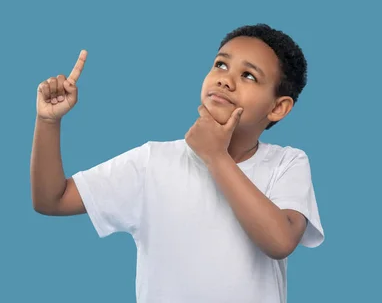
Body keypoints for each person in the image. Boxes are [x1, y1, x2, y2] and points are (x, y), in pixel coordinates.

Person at [31, 24, 325, 303]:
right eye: (221, 64)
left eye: (249, 75)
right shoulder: (152, 163)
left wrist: (215, 155)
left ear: (278, 107)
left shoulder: (287, 163)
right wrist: (48, 121)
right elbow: (52, 200)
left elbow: (280, 241)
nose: (225, 79)